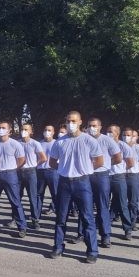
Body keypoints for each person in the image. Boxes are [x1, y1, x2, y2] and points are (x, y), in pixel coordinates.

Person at [47, 111, 104, 263]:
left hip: (82, 182)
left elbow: (99, 161)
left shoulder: (88, 140)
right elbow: (52, 162)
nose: (70, 124)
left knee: (87, 217)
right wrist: (64, 168)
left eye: (73, 121)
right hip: (64, 182)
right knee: (61, 217)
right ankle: (58, 247)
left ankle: (92, 251)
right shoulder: (60, 142)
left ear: (80, 122)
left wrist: (86, 169)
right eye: (68, 121)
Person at [85, 118, 122, 248]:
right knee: (85, 206)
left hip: (101, 175)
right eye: (90, 125)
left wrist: (106, 164)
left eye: (94, 125)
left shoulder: (107, 140)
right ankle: (82, 233)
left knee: (102, 206)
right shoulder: (84, 139)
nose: (92, 128)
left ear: (100, 127)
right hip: (86, 175)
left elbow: (118, 158)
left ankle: (105, 235)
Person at [0, 120, 27, 238]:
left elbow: (22, 160)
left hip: (10, 174)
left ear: (9, 130)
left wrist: (12, 168)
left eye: (4, 128)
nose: (1, 130)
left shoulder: (15, 144)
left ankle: (22, 227)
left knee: (15, 201)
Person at [108, 124, 135, 241]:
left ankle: (127, 229)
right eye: (107, 131)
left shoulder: (123, 146)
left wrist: (121, 170)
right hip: (105, 177)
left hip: (118, 177)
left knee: (122, 204)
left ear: (117, 133)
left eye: (111, 132)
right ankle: (105, 227)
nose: (108, 133)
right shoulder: (104, 144)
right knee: (104, 204)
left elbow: (130, 163)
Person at [19, 123, 46, 229]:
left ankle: (35, 220)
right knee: (17, 197)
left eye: (26, 129)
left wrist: (35, 165)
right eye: (22, 129)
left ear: (31, 131)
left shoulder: (35, 143)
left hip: (30, 172)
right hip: (19, 172)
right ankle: (16, 218)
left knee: (32, 197)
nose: (24, 131)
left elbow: (43, 158)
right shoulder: (17, 143)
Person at [123, 127, 139, 229]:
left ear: (134, 137)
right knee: (120, 201)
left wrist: (138, 169)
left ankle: (132, 221)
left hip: (133, 176)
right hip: (121, 176)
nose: (126, 137)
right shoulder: (120, 146)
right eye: (124, 135)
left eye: (129, 135)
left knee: (133, 201)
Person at [37, 125, 58, 215]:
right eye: (45, 130)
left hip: (53, 171)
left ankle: (58, 213)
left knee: (55, 194)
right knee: (38, 194)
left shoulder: (57, 143)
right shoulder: (39, 144)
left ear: (53, 132)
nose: (47, 132)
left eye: (49, 130)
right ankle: (36, 215)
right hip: (40, 171)